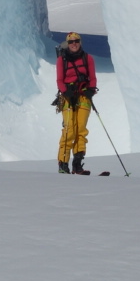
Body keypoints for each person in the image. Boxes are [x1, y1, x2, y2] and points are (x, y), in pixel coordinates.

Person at [55, 31, 97, 174]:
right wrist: (65, 91)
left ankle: (77, 164)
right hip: (67, 97)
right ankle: (63, 164)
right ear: (67, 44)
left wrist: (91, 89)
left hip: (83, 96)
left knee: (81, 130)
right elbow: (59, 80)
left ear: (80, 42)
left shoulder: (88, 58)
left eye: (76, 41)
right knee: (69, 130)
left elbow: (92, 78)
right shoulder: (62, 60)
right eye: (71, 41)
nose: (74, 44)